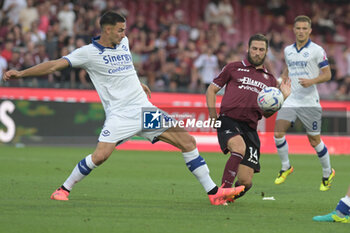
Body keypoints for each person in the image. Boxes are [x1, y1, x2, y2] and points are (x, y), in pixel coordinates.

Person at [2, 11, 244, 205]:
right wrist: (21, 73)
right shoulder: (87, 54)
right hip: (120, 115)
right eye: (120, 29)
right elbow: (54, 65)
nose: (124, 33)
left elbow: (124, 68)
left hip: (144, 110)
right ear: (107, 30)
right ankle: (63, 189)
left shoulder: (124, 43)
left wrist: (138, 83)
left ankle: (214, 193)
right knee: (100, 156)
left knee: (188, 142)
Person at [206, 34, 291, 201]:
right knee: (238, 147)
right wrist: (212, 115)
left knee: (246, 182)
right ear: (248, 49)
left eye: (261, 50)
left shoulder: (270, 80)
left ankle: (230, 197)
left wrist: (282, 97)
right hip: (228, 119)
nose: (257, 52)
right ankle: (221, 194)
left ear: (266, 52)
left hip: (250, 128)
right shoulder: (233, 68)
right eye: (254, 48)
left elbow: (267, 113)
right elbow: (211, 90)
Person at [273, 15, 335, 191]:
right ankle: (286, 167)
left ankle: (327, 172)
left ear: (309, 31)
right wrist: (283, 79)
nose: (301, 31)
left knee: (314, 141)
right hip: (291, 99)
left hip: (310, 102)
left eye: (304, 28)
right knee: (278, 132)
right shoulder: (288, 50)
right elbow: (288, 67)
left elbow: (328, 74)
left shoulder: (317, 50)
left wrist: (312, 81)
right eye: (298, 28)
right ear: (294, 30)